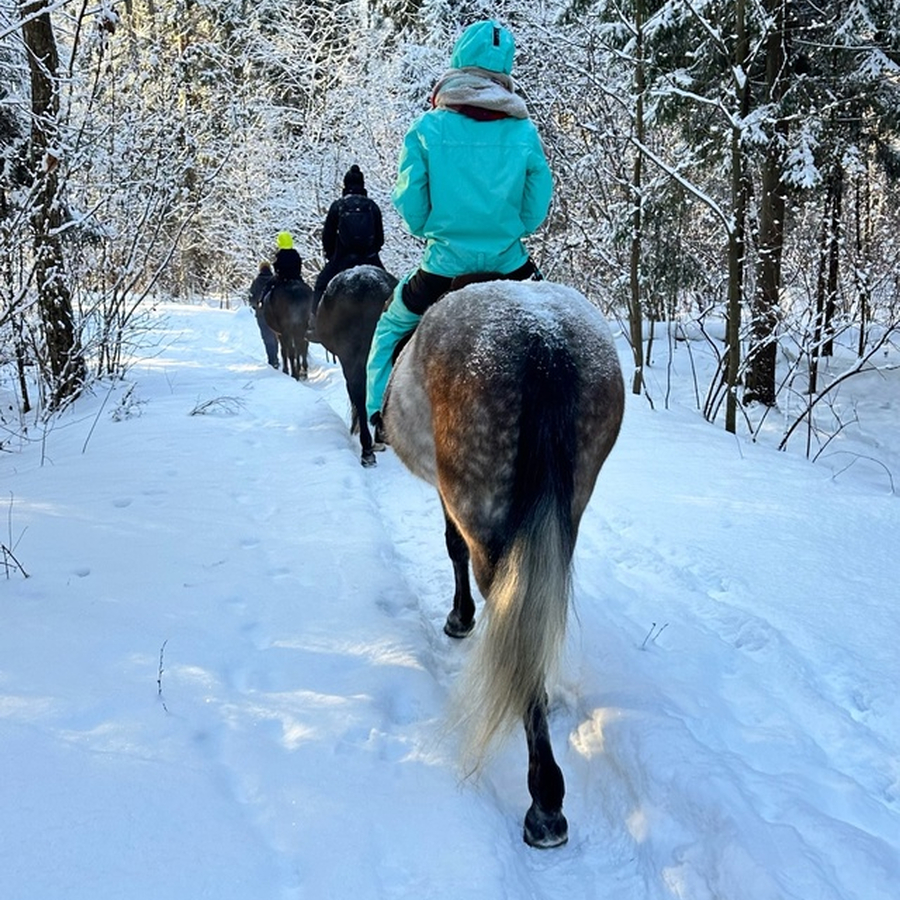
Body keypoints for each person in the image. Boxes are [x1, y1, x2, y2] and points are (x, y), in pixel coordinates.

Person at [365, 20, 553, 429]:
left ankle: (379, 412)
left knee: (391, 328)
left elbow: (410, 202)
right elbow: (537, 207)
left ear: (459, 61)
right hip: (511, 265)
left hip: (443, 266)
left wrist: (433, 228)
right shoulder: (523, 130)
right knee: (557, 327)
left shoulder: (427, 128)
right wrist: (507, 229)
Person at [248, 260, 279, 367]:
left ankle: (273, 359)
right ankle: (277, 356)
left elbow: (251, 298)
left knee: (267, 336)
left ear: (260, 269)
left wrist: (256, 306)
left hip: (262, 313)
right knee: (276, 335)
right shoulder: (275, 280)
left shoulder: (256, 282)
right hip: (276, 313)